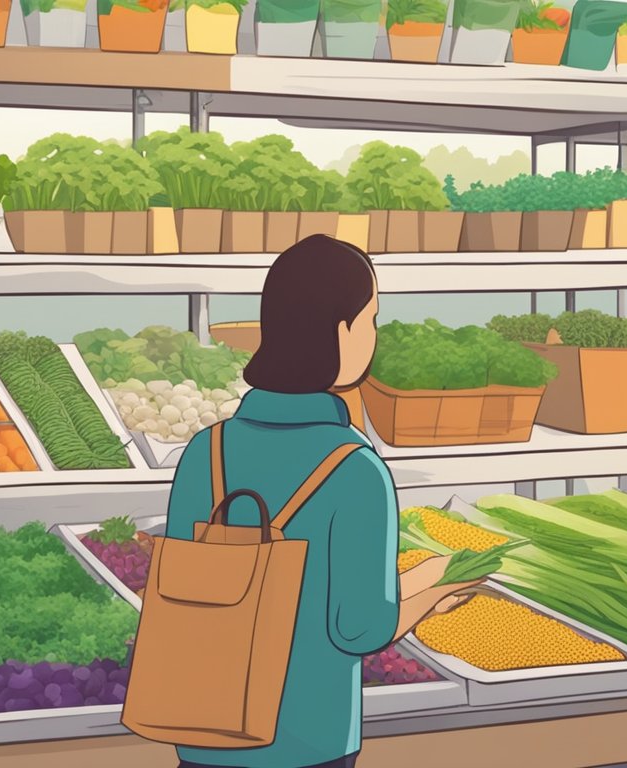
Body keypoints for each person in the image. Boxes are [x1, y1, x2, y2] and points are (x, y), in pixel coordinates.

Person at [164, 235, 482, 768]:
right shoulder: (355, 469)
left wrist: (425, 572)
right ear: (342, 331)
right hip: (307, 740)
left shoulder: (205, 452)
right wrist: (432, 596)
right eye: (371, 319)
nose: (374, 336)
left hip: (204, 728)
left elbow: (189, 588)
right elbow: (358, 627)